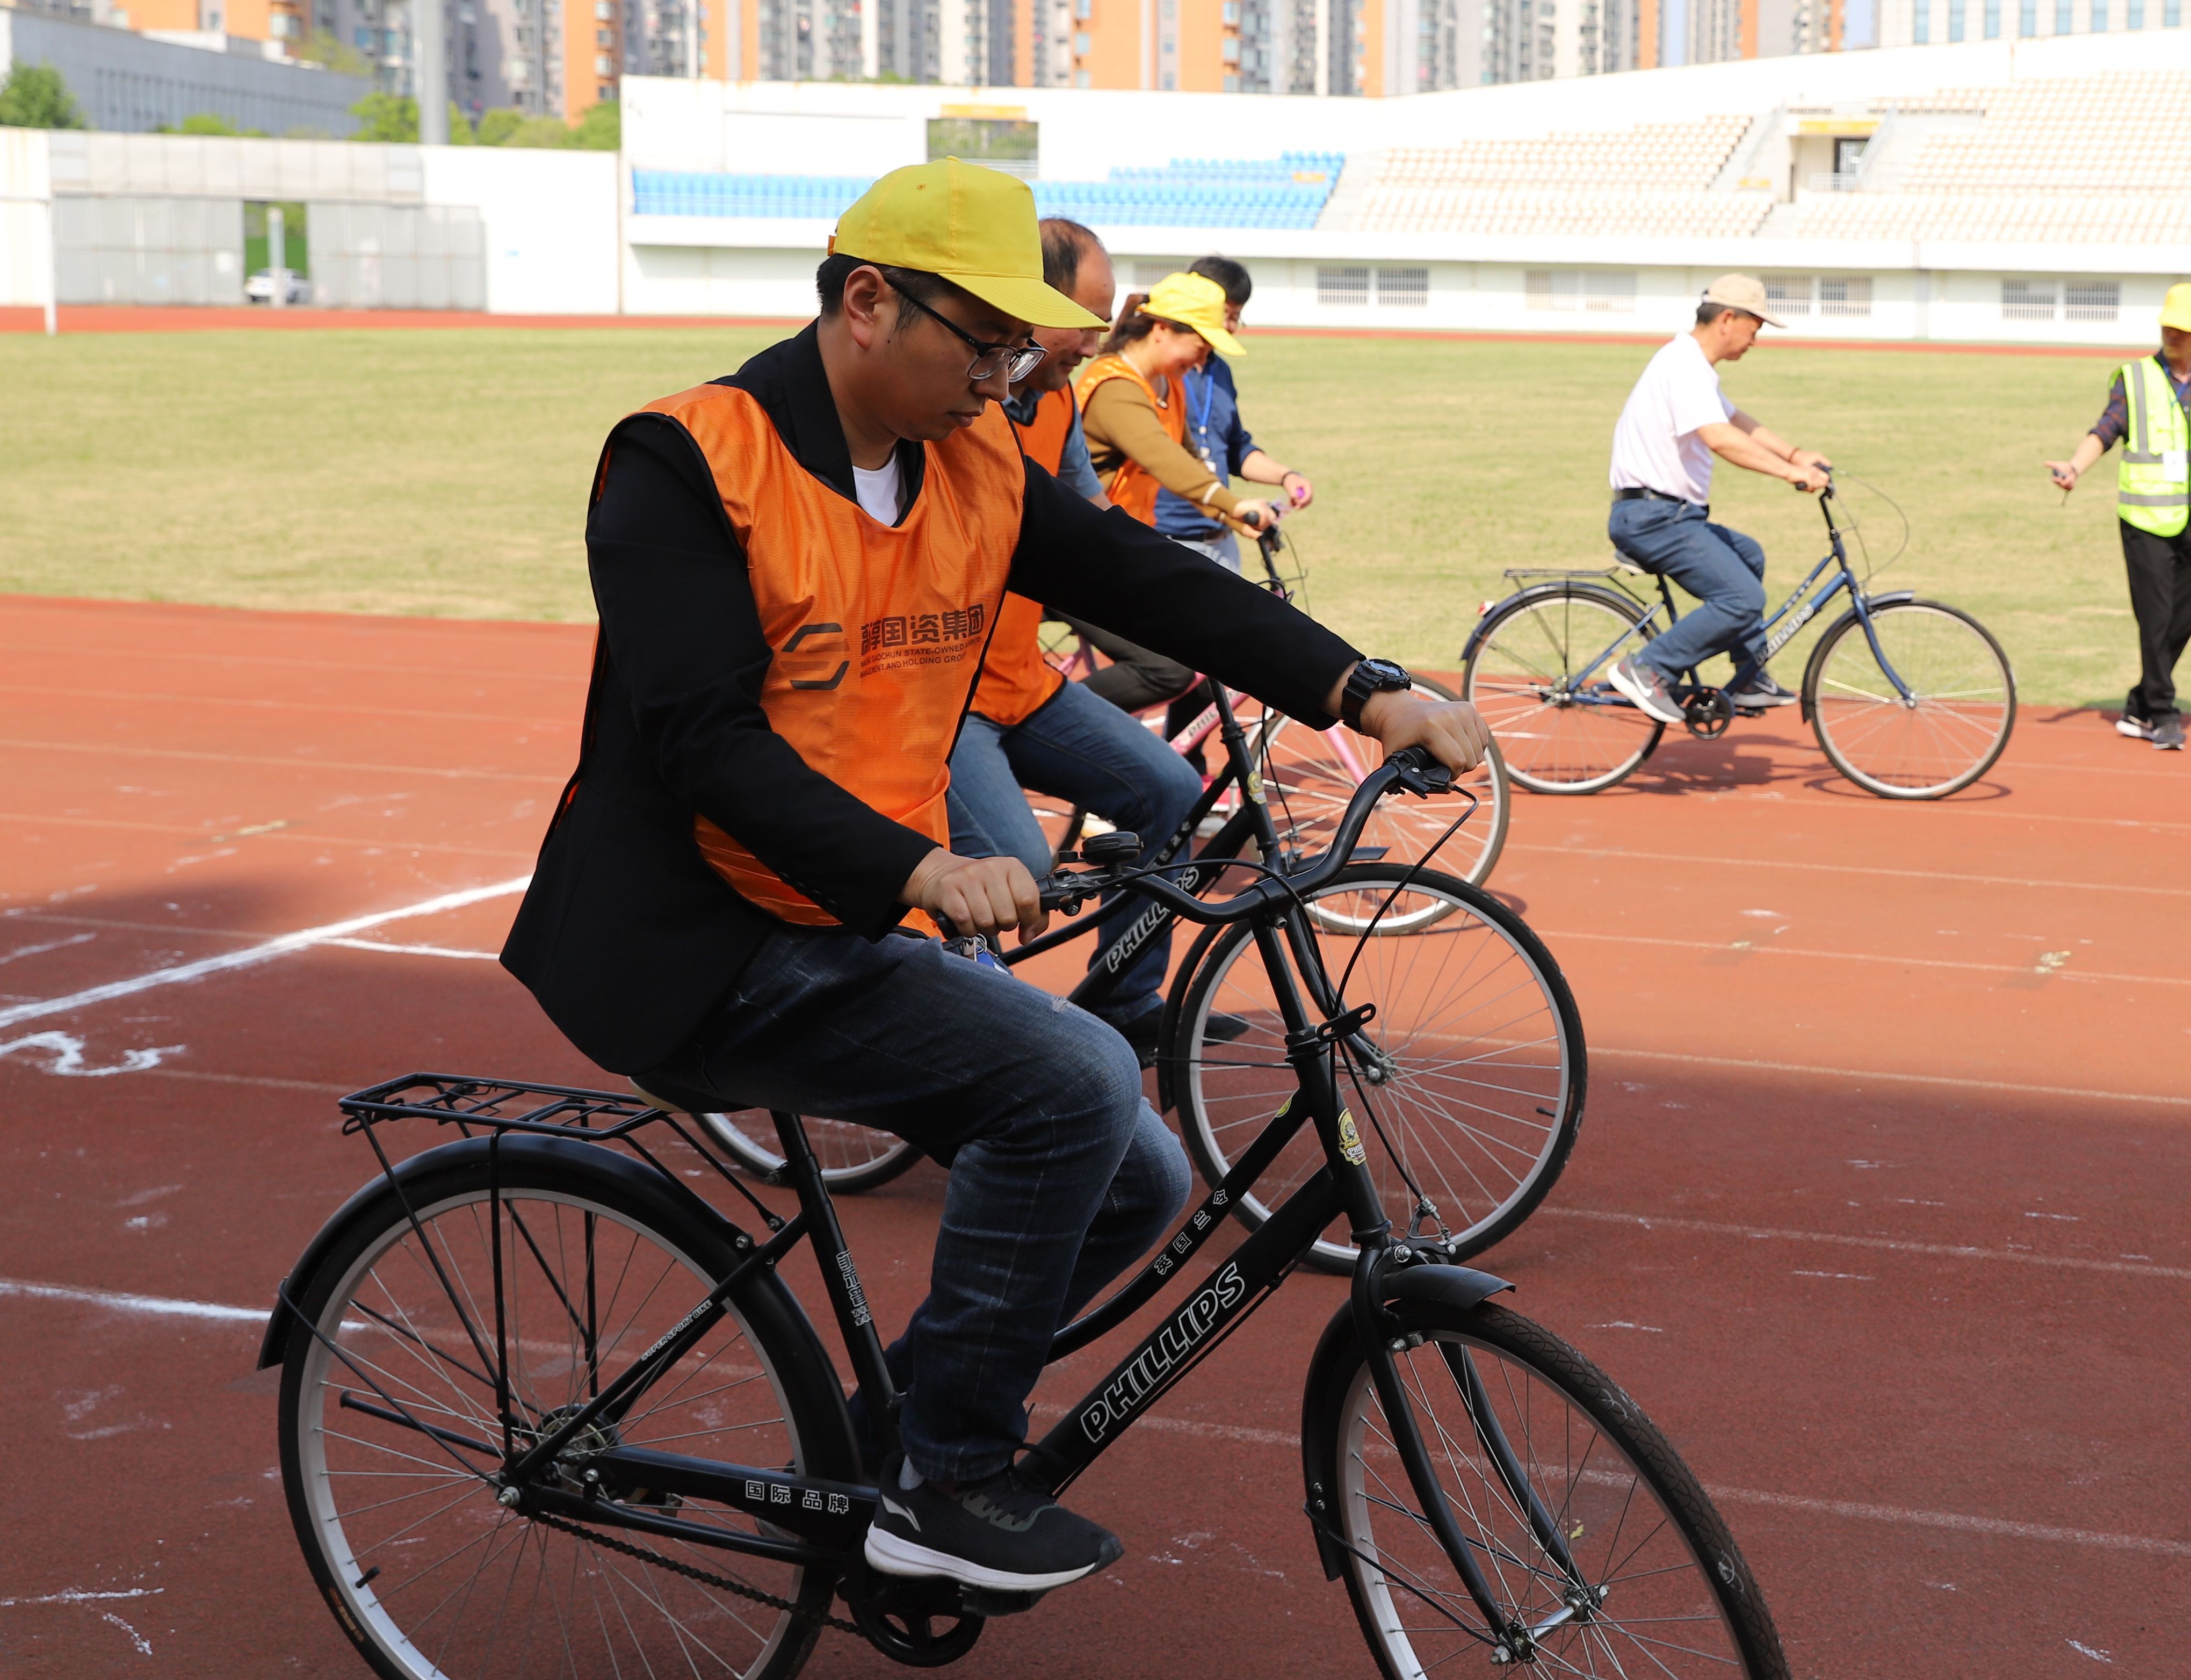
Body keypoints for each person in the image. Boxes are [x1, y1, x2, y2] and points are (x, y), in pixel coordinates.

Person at [499, 158, 1487, 1598]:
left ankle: (871, 1457)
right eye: (982, 342)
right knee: (1074, 1083)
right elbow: (702, 742)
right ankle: (943, 1478)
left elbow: (1151, 582)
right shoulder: (686, 460)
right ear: (865, 303)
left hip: (839, 916)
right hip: (697, 940)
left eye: (1018, 348)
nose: (1006, 375)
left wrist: (1360, 685)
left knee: (1137, 1180)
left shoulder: (968, 463)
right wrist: (920, 865)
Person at [941, 215, 1202, 1048]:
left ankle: (1124, 1007)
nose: (1097, 339)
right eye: (1083, 318)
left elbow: (1100, 539)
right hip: (943, 702)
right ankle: (972, 1051)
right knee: (1021, 870)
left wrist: (1208, 602)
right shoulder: (954, 403)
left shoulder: (1055, 398)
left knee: (1168, 791)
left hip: (1022, 684)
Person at [1603, 273, 1831, 726]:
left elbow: (1735, 419)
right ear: (1728, 318)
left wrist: (1796, 453)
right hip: (1653, 517)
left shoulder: (1693, 366)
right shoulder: (1683, 365)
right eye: (1756, 326)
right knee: (1742, 599)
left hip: (1668, 514)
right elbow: (1719, 437)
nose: (1756, 339)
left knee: (1749, 555)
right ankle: (1647, 668)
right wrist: (1791, 474)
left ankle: (1746, 677)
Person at [2047, 281, 2191, 752]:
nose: (2174, 335)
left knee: (2184, 618)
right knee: (2155, 617)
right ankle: (2164, 715)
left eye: (2184, 329)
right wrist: (2075, 467)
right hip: (2144, 519)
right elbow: (2106, 429)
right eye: (2169, 326)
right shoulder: (2134, 378)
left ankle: (2137, 705)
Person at [1146, 254, 1317, 574]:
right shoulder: (1153, 374)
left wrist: (1286, 476)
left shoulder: (1220, 372)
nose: (1230, 327)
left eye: (1236, 317)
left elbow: (1235, 448)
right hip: (1161, 537)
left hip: (1223, 539)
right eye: (1225, 315)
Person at [1079, 272, 1281, 542]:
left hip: (1125, 535)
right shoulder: (1114, 385)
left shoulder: (1169, 384)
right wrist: (1232, 504)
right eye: (1201, 347)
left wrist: (1230, 518)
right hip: (1088, 537)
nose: (1203, 359)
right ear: (1162, 329)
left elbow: (1189, 457)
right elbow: (1163, 457)